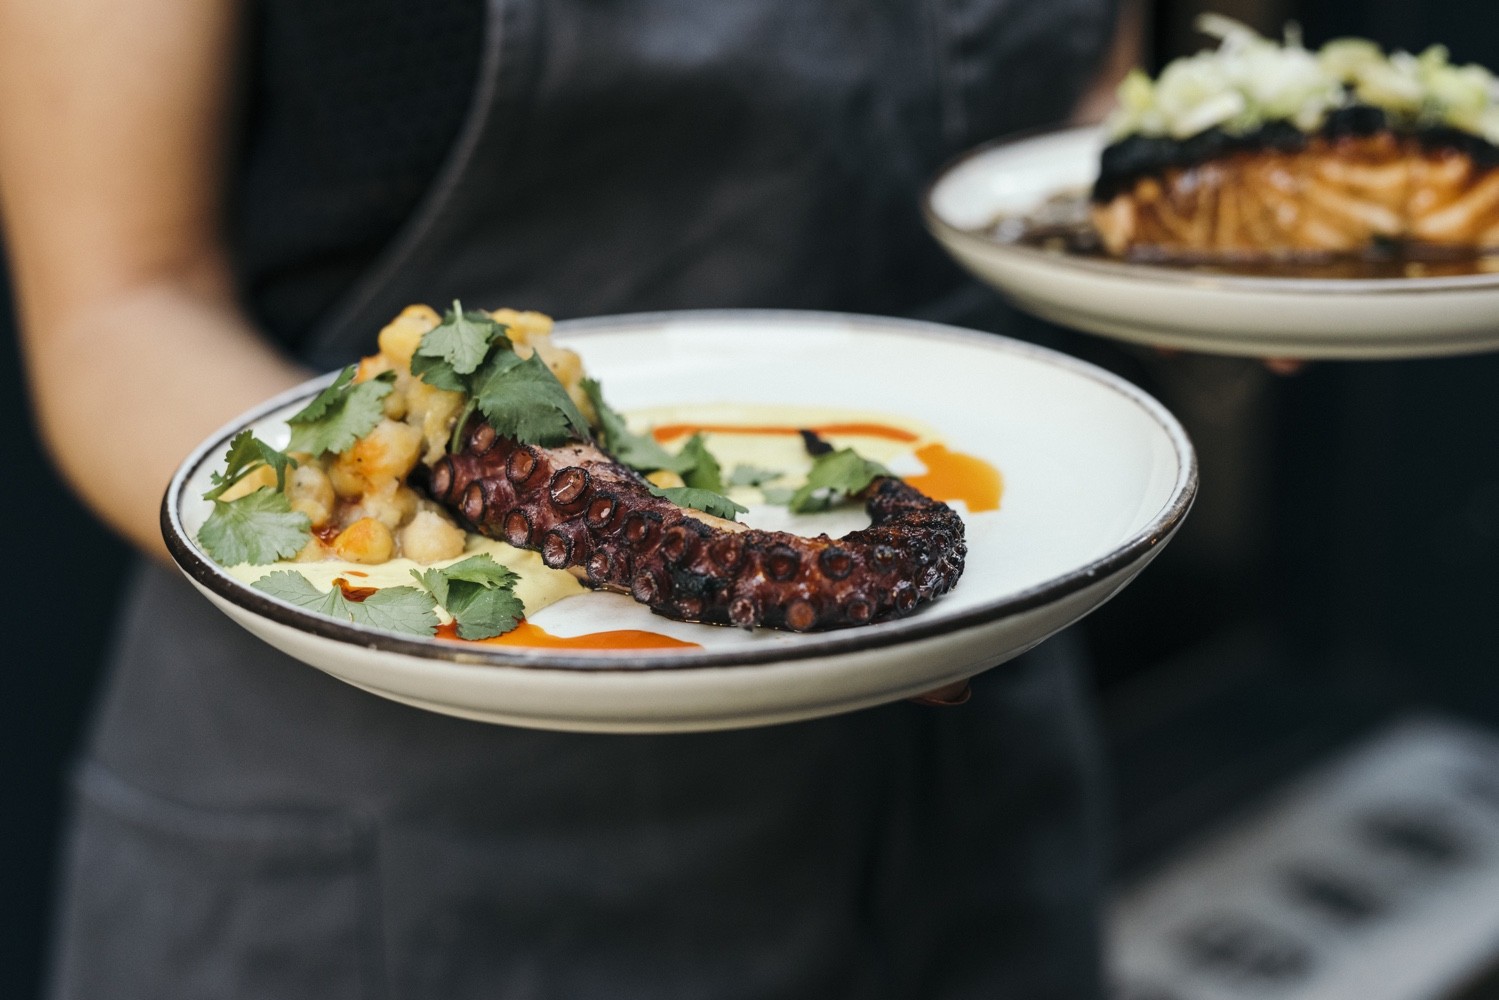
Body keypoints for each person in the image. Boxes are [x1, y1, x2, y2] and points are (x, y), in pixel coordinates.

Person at [0, 0, 1135, 995]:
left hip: (971, 772)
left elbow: (1073, 120)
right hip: (410, 844)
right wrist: (405, 477)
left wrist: (1201, 273)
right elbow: (119, 301)